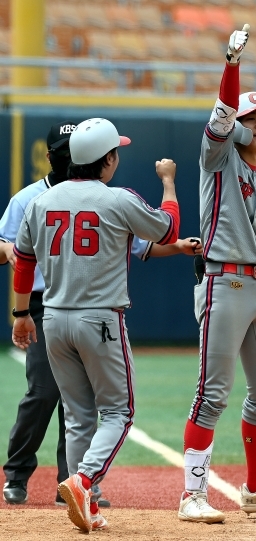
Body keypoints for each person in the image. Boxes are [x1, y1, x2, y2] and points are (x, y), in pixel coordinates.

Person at [1, 122, 201, 509]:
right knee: (119, 413)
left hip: (53, 318)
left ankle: (84, 500)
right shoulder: (116, 198)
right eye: (116, 153)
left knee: (78, 416)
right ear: (106, 159)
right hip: (99, 318)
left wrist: (21, 312)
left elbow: (23, 261)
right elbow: (167, 227)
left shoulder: (41, 201)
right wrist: (169, 183)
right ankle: (84, 481)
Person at [177, 26, 256, 524]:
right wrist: (232, 61)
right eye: (252, 117)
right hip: (223, 282)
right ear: (236, 125)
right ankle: (191, 494)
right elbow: (223, 112)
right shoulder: (218, 158)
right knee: (213, 391)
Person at [0, 121, 110, 508]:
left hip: (89, 303)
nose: (69, 157)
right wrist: (9, 251)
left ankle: (72, 483)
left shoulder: (98, 195)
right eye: (62, 151)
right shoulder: (29, 197)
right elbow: (2, 244)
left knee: (80, 399)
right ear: (50, 157)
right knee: (44, 393)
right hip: (44, 304)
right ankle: (16, 474)